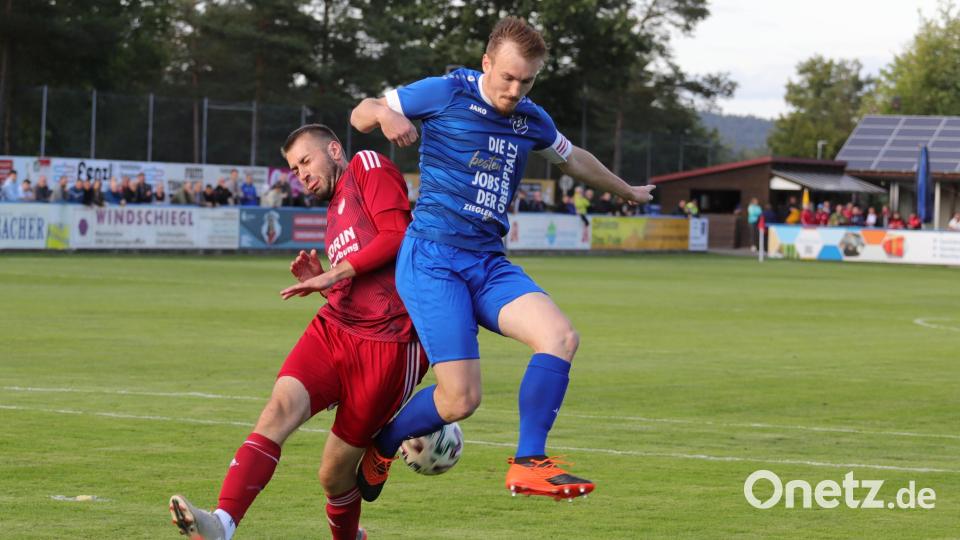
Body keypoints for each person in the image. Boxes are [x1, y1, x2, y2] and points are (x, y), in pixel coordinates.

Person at [350, 16, 654, 503]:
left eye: (526, 80)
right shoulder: (445, 91)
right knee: (461, 400)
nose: (515, 89)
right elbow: (361, 112)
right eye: (507, 77)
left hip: (488, 263)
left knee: (560, 337)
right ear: (486, 63)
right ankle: (383, 444)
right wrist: (386, 115)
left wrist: (627, 191)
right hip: (434, 260)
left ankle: (529, 462)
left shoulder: (532, 118)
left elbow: (573, 158)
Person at [169, 125, 426, 540]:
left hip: (390, 345)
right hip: (335, 329)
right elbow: (366, 287)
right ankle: (222, 523)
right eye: (294, 169)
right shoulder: (335, 209)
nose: (301, 175)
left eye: (306, 161)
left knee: (334, 475)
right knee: (277, 411)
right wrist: (329, 281)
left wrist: (334, 275)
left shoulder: (367, 166)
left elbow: (397, 236)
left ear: (336, 150)